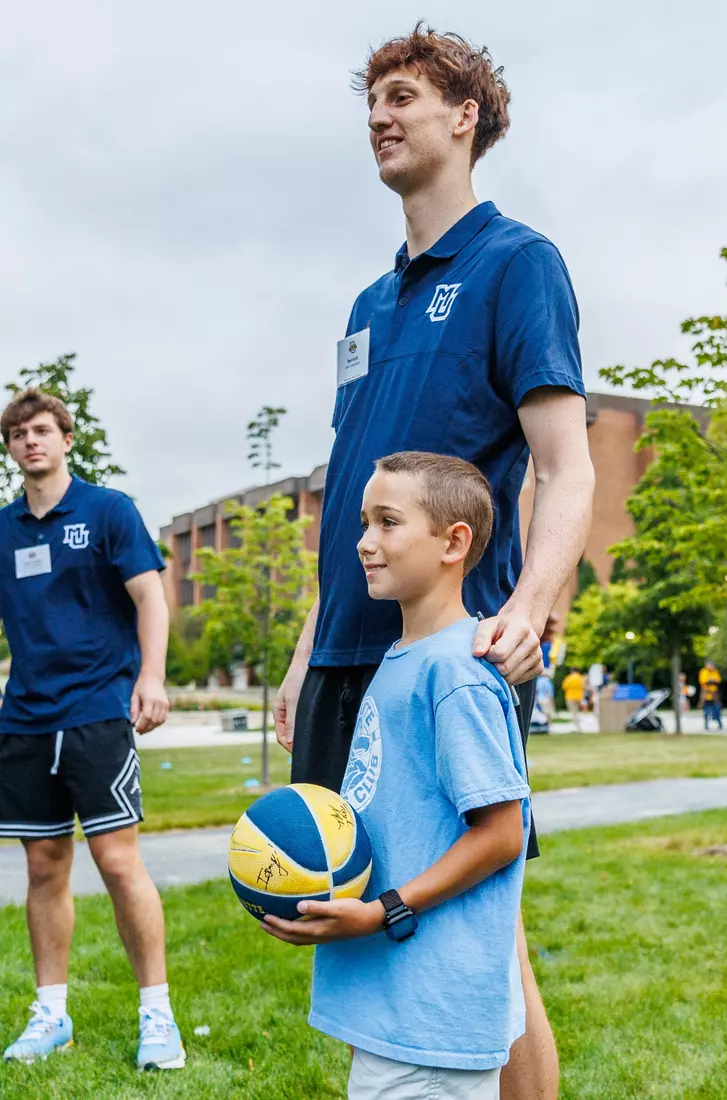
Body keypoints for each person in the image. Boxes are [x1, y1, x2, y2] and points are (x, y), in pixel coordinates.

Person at [272, 24, 594, 1099]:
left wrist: (534, 607)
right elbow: (350, 484)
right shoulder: (368, 305)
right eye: (371, 98)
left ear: (466, 117)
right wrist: (306, 644)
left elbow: (565, 460)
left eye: (402, 94)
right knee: (369, 912)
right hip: (347, 650)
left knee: (484, 936)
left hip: (451, 644)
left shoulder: (517, 263)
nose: (380, 114)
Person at [264, 453, 531, 1099]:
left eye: (387, 522)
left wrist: (383, 911)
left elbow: (502, 835)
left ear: (453, 542)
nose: (363, 542)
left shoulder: (453, 673)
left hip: (432, 1013)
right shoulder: (406, 656)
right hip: (399, 1000)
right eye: (362, 522)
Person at [0, 390, 184, 1071]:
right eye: (17, 434)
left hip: (99, 712)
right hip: (24, 719)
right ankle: (51, 1014)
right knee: (43, 866)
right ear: (10, 447)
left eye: (41, 429)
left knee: (116, 862)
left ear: (65, 437)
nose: (29, 442)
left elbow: (149, 598)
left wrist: (153, 678)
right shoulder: (3, 528)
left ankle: (157, 1016)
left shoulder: (109, 511)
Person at [699, 660, 724, 731]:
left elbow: (718, 680)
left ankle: (720, 724)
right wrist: (711, 680)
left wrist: (711, 681)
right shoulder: (703, 671)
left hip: (714, 694)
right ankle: (706, 725)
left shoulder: (715, 671)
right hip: (706, 694)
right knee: (706, 711)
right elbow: (703, 681)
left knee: (717, 709)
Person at [561, 667, 586, 732]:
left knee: (573, 713)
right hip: (579, 697)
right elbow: (584, 687)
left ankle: (576, 727)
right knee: (577, 712)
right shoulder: (581, 678)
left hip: (570, 697)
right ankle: (578, 726)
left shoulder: (569, 678)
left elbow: (564, 687)